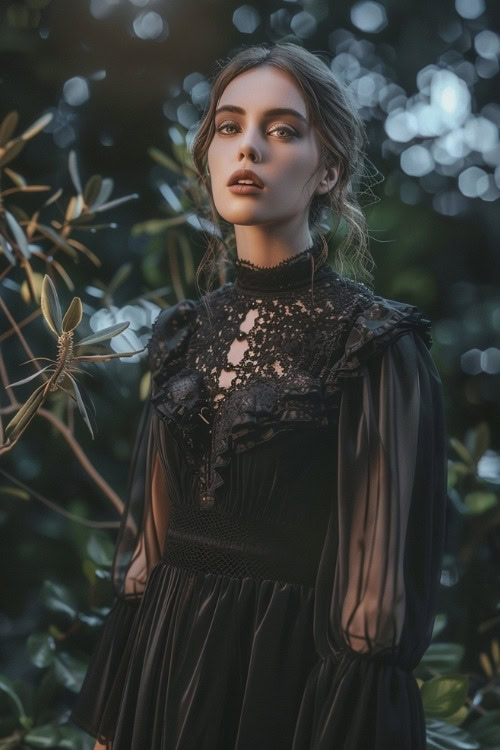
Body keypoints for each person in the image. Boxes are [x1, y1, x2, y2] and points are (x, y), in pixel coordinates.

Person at [70, 42, 448, 750]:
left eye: (282, 130)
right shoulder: (181, 333)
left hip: (285, 696)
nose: (249, 148)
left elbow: (376, 610)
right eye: (228, 126)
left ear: (328, 168)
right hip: (160, 680)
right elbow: (148, 558)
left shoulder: (373, 344)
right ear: (208, 154)